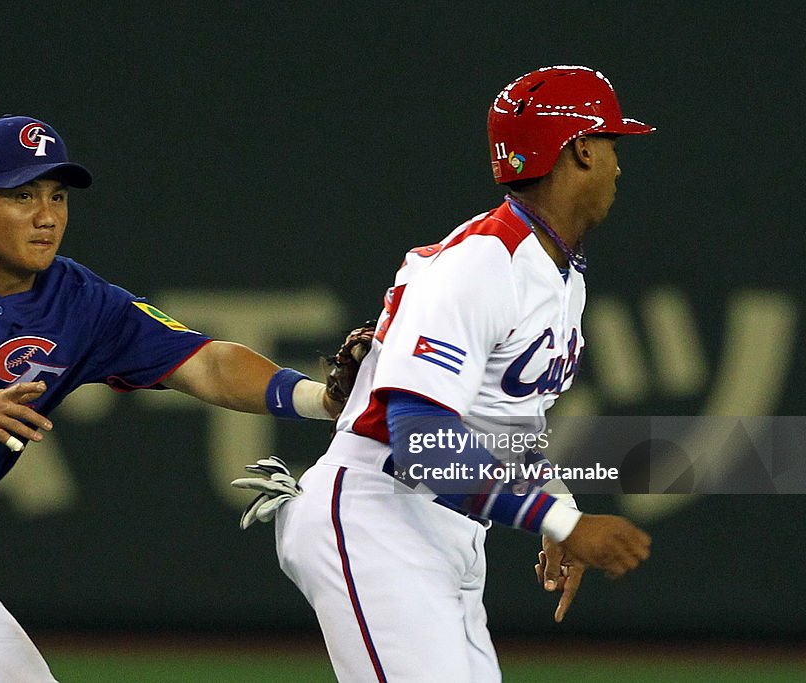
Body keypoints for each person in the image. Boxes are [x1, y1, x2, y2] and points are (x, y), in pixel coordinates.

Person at [0, 114, 347, 681]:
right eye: (21, 195)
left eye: (57, 195)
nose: (47, 217)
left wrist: (318, 398)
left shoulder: (79, 302)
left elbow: (204, 362)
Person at [251, 66, 655, 682]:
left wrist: (557, 501)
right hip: (376, 515)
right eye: (611, 146)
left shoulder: (557, 271)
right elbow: (420, 441)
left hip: (444, 528)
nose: (618, 166)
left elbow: (503, 420)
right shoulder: (483, 262)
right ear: (579, 149)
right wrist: (564, 522)